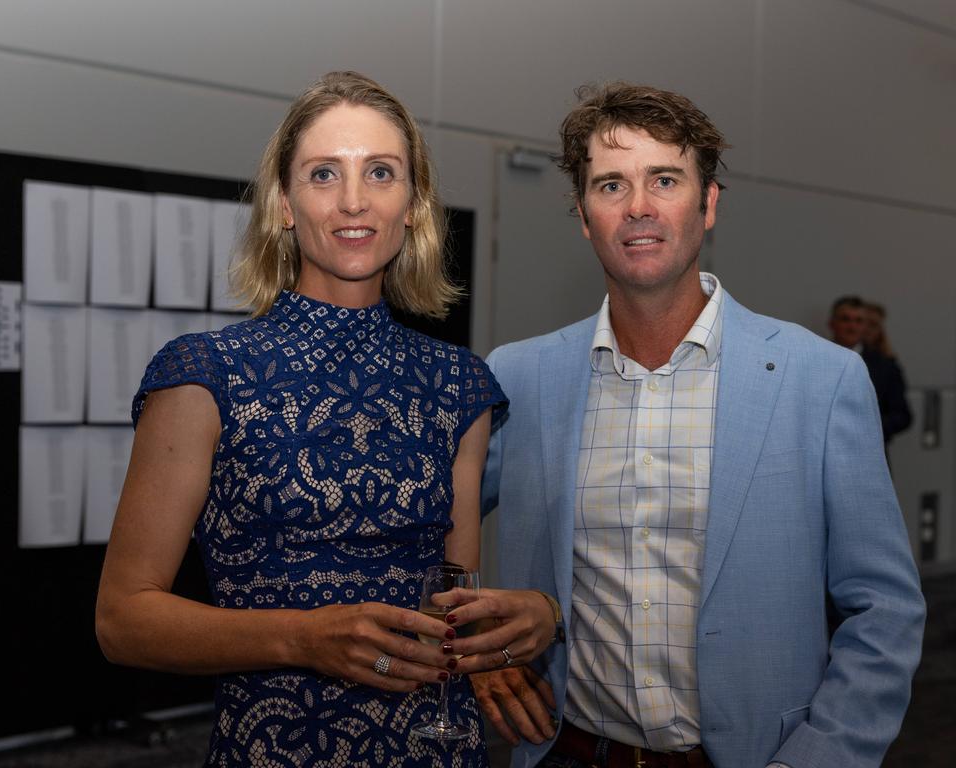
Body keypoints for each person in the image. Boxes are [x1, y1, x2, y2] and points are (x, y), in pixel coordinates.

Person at [451, 82, 926, 768]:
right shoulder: (520, 379)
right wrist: (474, 648)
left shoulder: (819, 380)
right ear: (585, 216)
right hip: (570, 753)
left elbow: (884, 610)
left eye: (664, 179)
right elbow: (416, 531)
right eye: (611, 185)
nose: (638, 207)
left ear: (707, 205)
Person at [95, 71, 509, 767]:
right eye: (324, 174)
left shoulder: (458, 386)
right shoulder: (206, 375)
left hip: (436, 748)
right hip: (276, 748)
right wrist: (301, 638)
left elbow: (451, 599)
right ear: (284, 205)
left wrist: (512, 631)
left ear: (413, 204)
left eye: (381, 172)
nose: (354, 200)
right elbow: (123, 620)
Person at [829, 296, 912, 450]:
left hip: (869, 450)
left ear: (865, 327)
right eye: (845, 319)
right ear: (832, 323)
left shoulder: (885, 365)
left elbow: (902, 416)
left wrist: (866, 427)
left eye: (859, 321)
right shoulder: (815, 359)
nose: (852, 326)